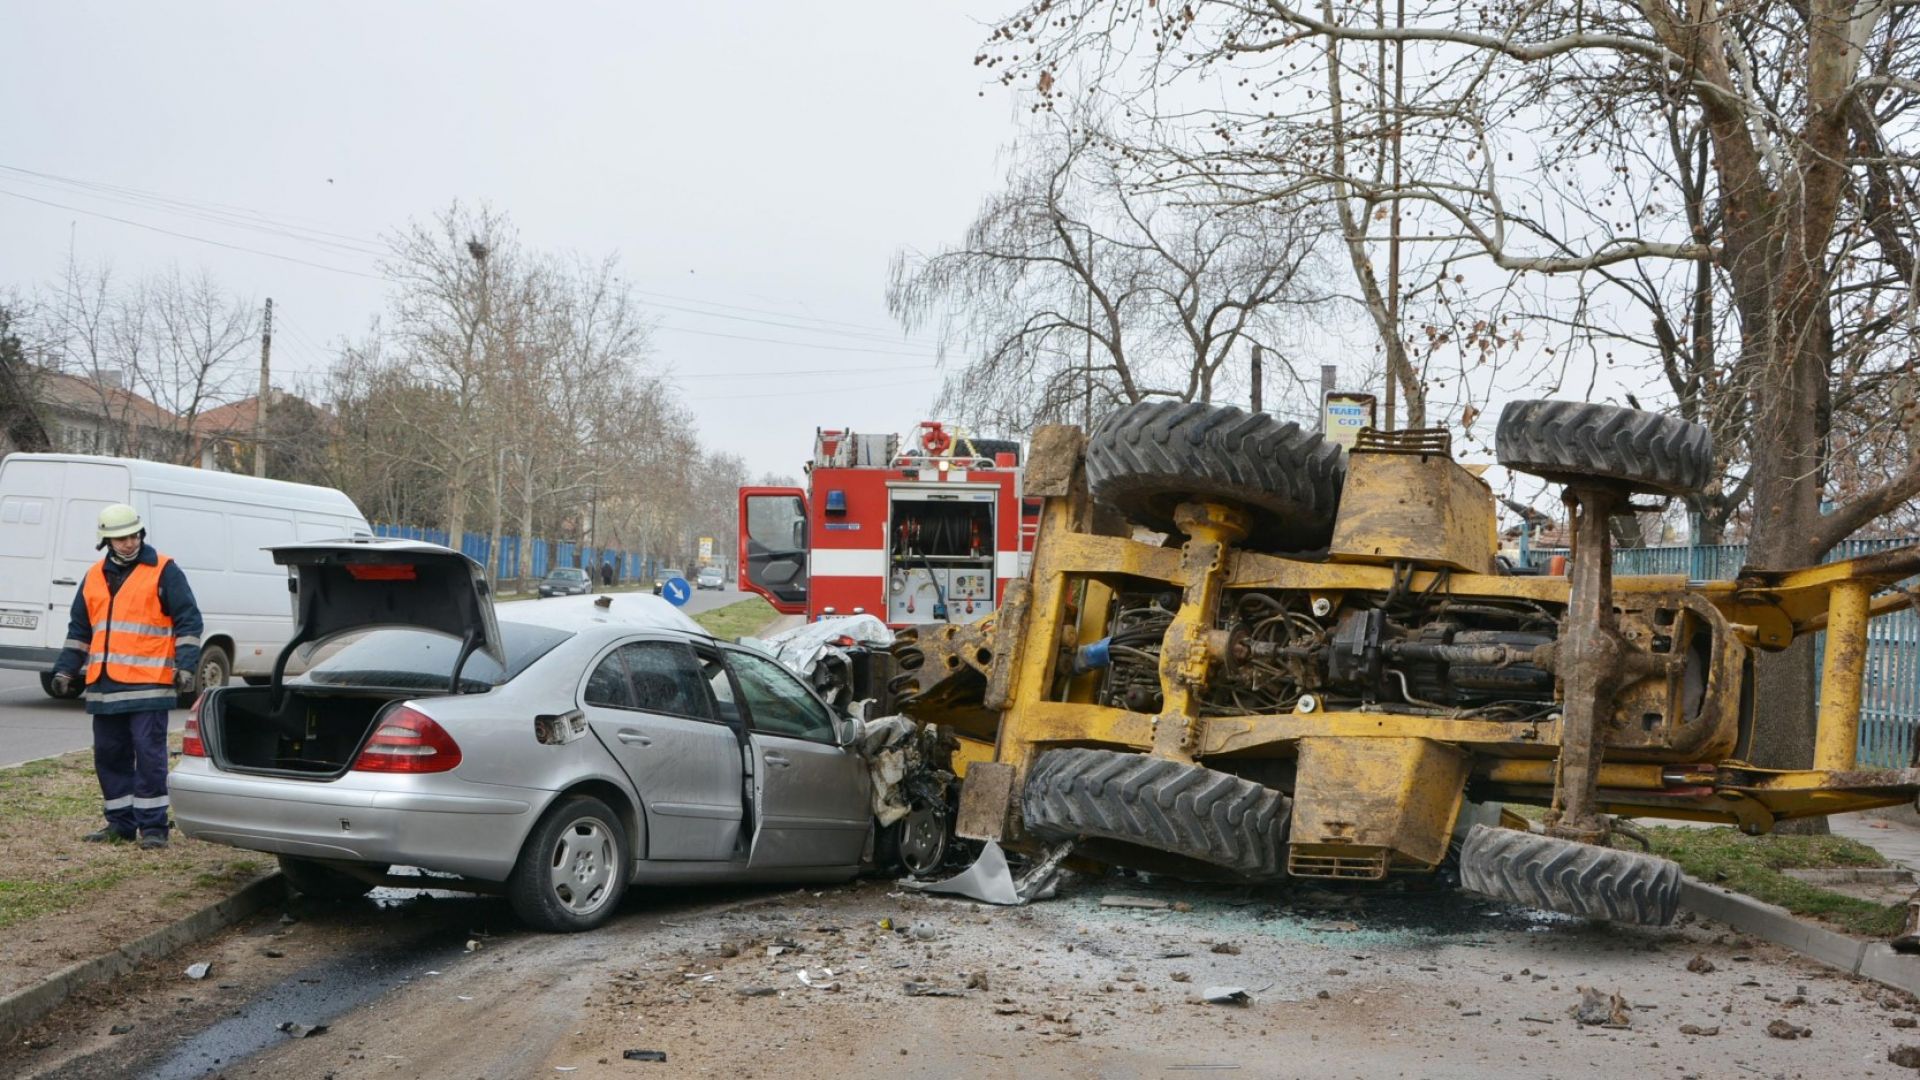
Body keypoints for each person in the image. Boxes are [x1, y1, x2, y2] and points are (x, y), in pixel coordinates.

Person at [49, 504, 204, 850]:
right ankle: (120, 823)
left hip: (149, 683)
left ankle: (153, 828)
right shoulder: (93, 576)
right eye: (120, 538)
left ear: (141, 534)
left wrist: (186, 666)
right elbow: (79, 630)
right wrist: (64, 669)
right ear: (106, 540)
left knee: (149, 755)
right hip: (104, 686)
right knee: (109, 754)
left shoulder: (164, 570)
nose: (128, 543)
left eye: (133, 535)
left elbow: (189, 622)